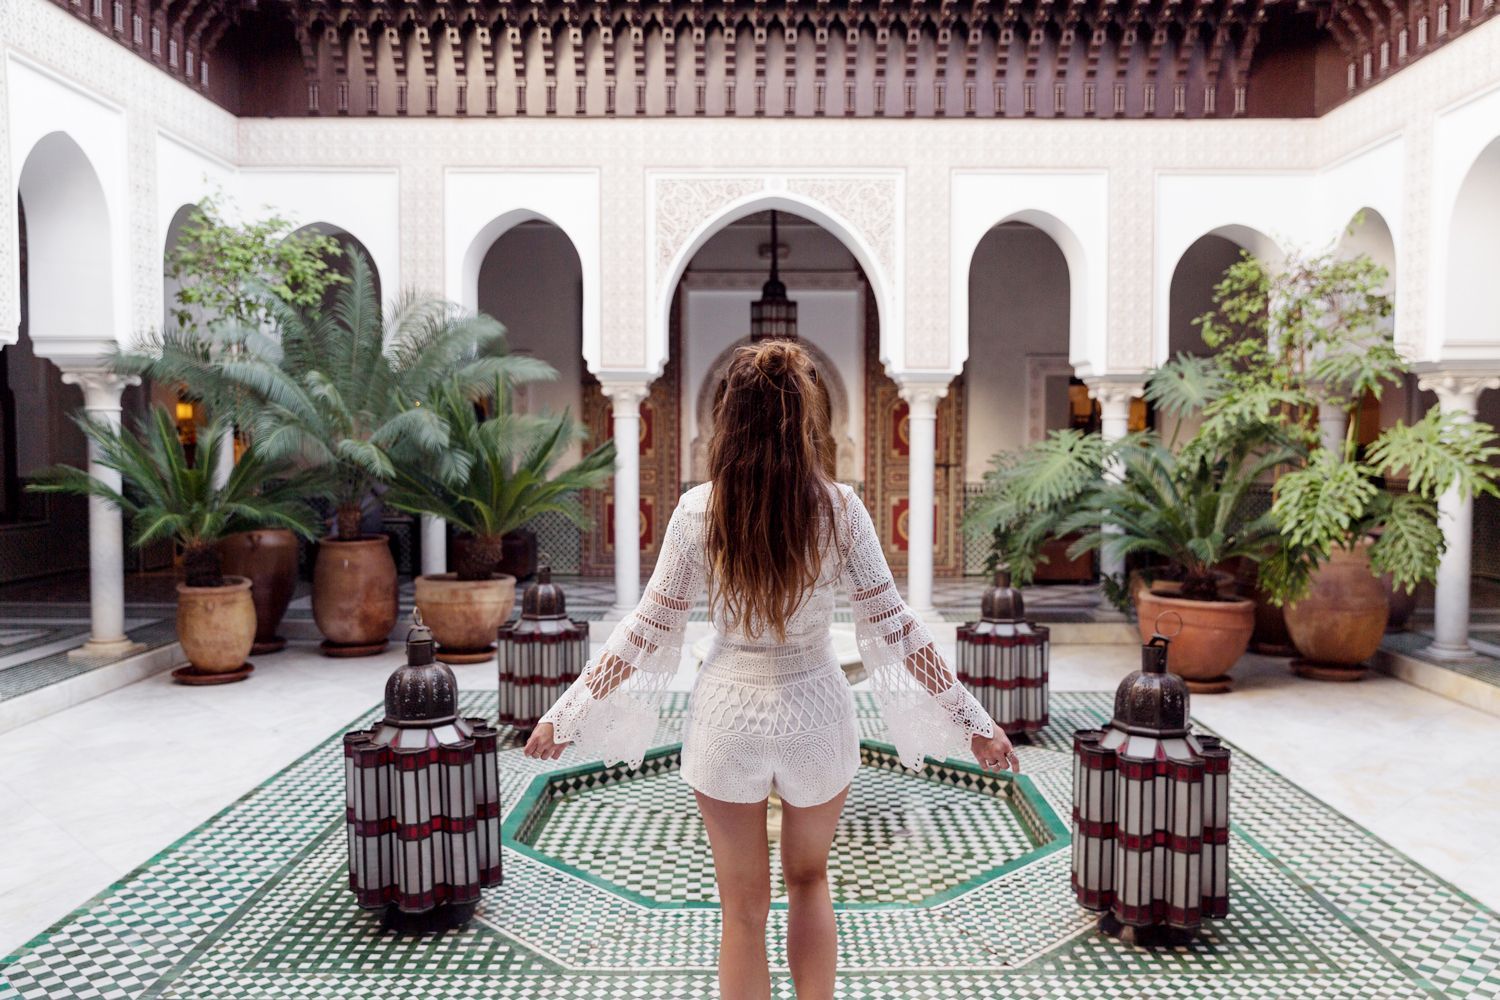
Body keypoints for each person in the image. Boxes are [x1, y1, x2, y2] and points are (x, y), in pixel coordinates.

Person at [525, 340, 1017, 1000]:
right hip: (817, 711)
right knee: (810, 883)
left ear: (728, 417)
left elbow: (645, 630)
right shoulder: (839, 509)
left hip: (728, 716)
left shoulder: (701, 510)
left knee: (742, 913)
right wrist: (976, 723)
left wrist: (568, 713)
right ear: (805, 418)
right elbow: (898, 628)